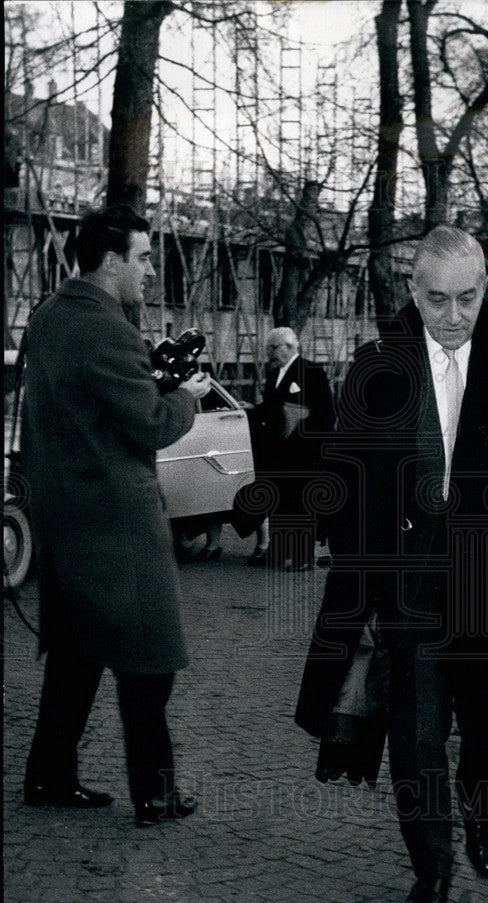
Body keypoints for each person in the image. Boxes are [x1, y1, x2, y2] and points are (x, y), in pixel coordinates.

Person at [295, 225, 488, 903]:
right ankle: (431, 869)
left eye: (467, 298)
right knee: (415, 740)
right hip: (411, 593)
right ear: (411, 291)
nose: (453, 316)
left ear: (486, 286)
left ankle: (479, 801)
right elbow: (341, 478)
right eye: (436, 300)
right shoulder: (375, 368)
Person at [21, 203, 211, 827]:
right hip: (117, 521)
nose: (151, 270)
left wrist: (146, 375)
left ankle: (49, 777)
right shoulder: (107, 329)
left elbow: (82, 409)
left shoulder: (49, 315)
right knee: (150, 660)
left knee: (77, 656)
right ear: (111, 262)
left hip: (63, 518)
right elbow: (151, 425)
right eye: (145, 257)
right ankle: (154, 796)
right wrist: (185, 394)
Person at [246, 326, 335, 571]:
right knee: (282, 503)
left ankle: (304, 557)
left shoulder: (312, 371)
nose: (270, 352)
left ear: (290, 346)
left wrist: (308, 443)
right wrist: (253, 409)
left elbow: (326, 412)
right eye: (269, 348)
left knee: (301, 505)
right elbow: (272, 407)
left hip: (303, 452)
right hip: (279, 452)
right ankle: (280, 552)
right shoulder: (274, 374)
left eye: (274, 347)